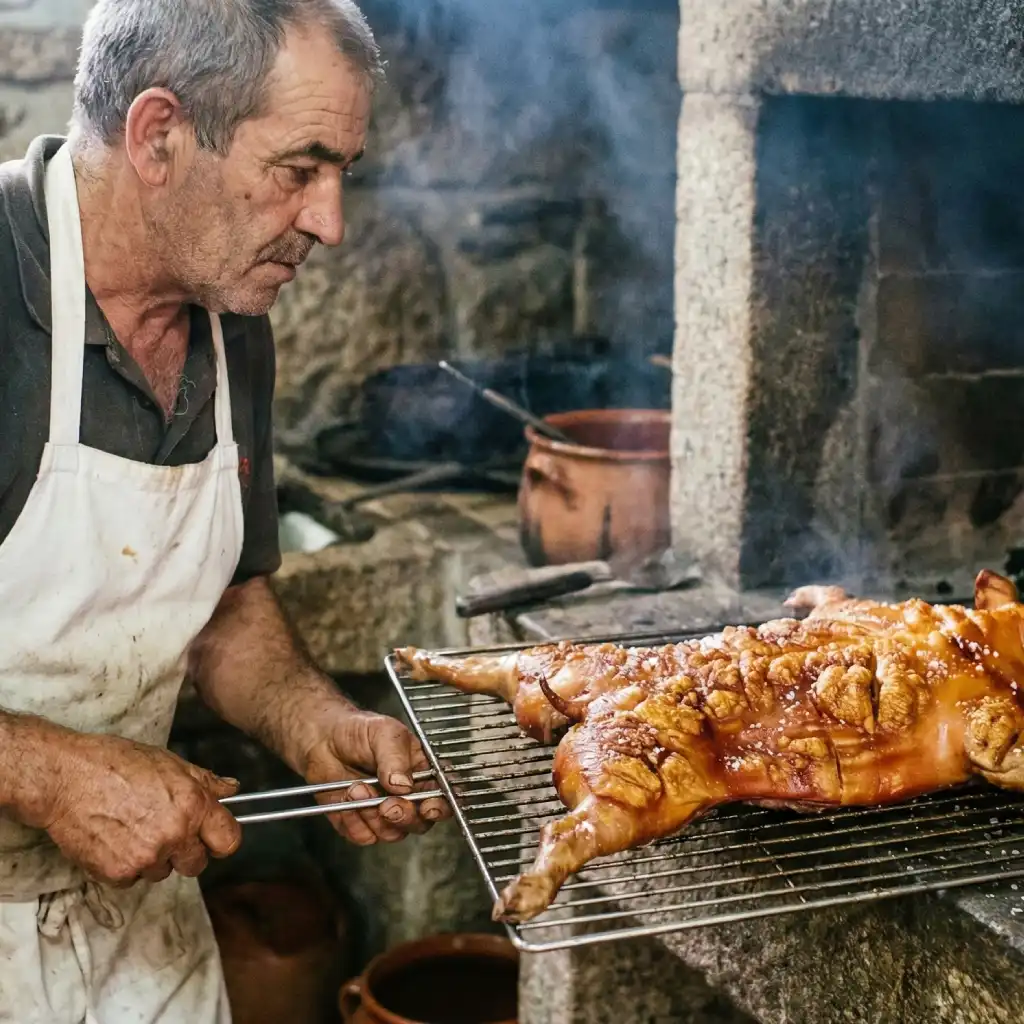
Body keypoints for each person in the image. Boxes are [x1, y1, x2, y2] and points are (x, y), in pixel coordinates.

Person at [0, 0, 450, 1019]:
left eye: (345, 172)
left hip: (142, 940)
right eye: (297, 170)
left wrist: (313, 720)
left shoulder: (232, 318)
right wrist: (43, 773)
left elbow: (219, 606)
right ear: (159, 134)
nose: (328, 223)